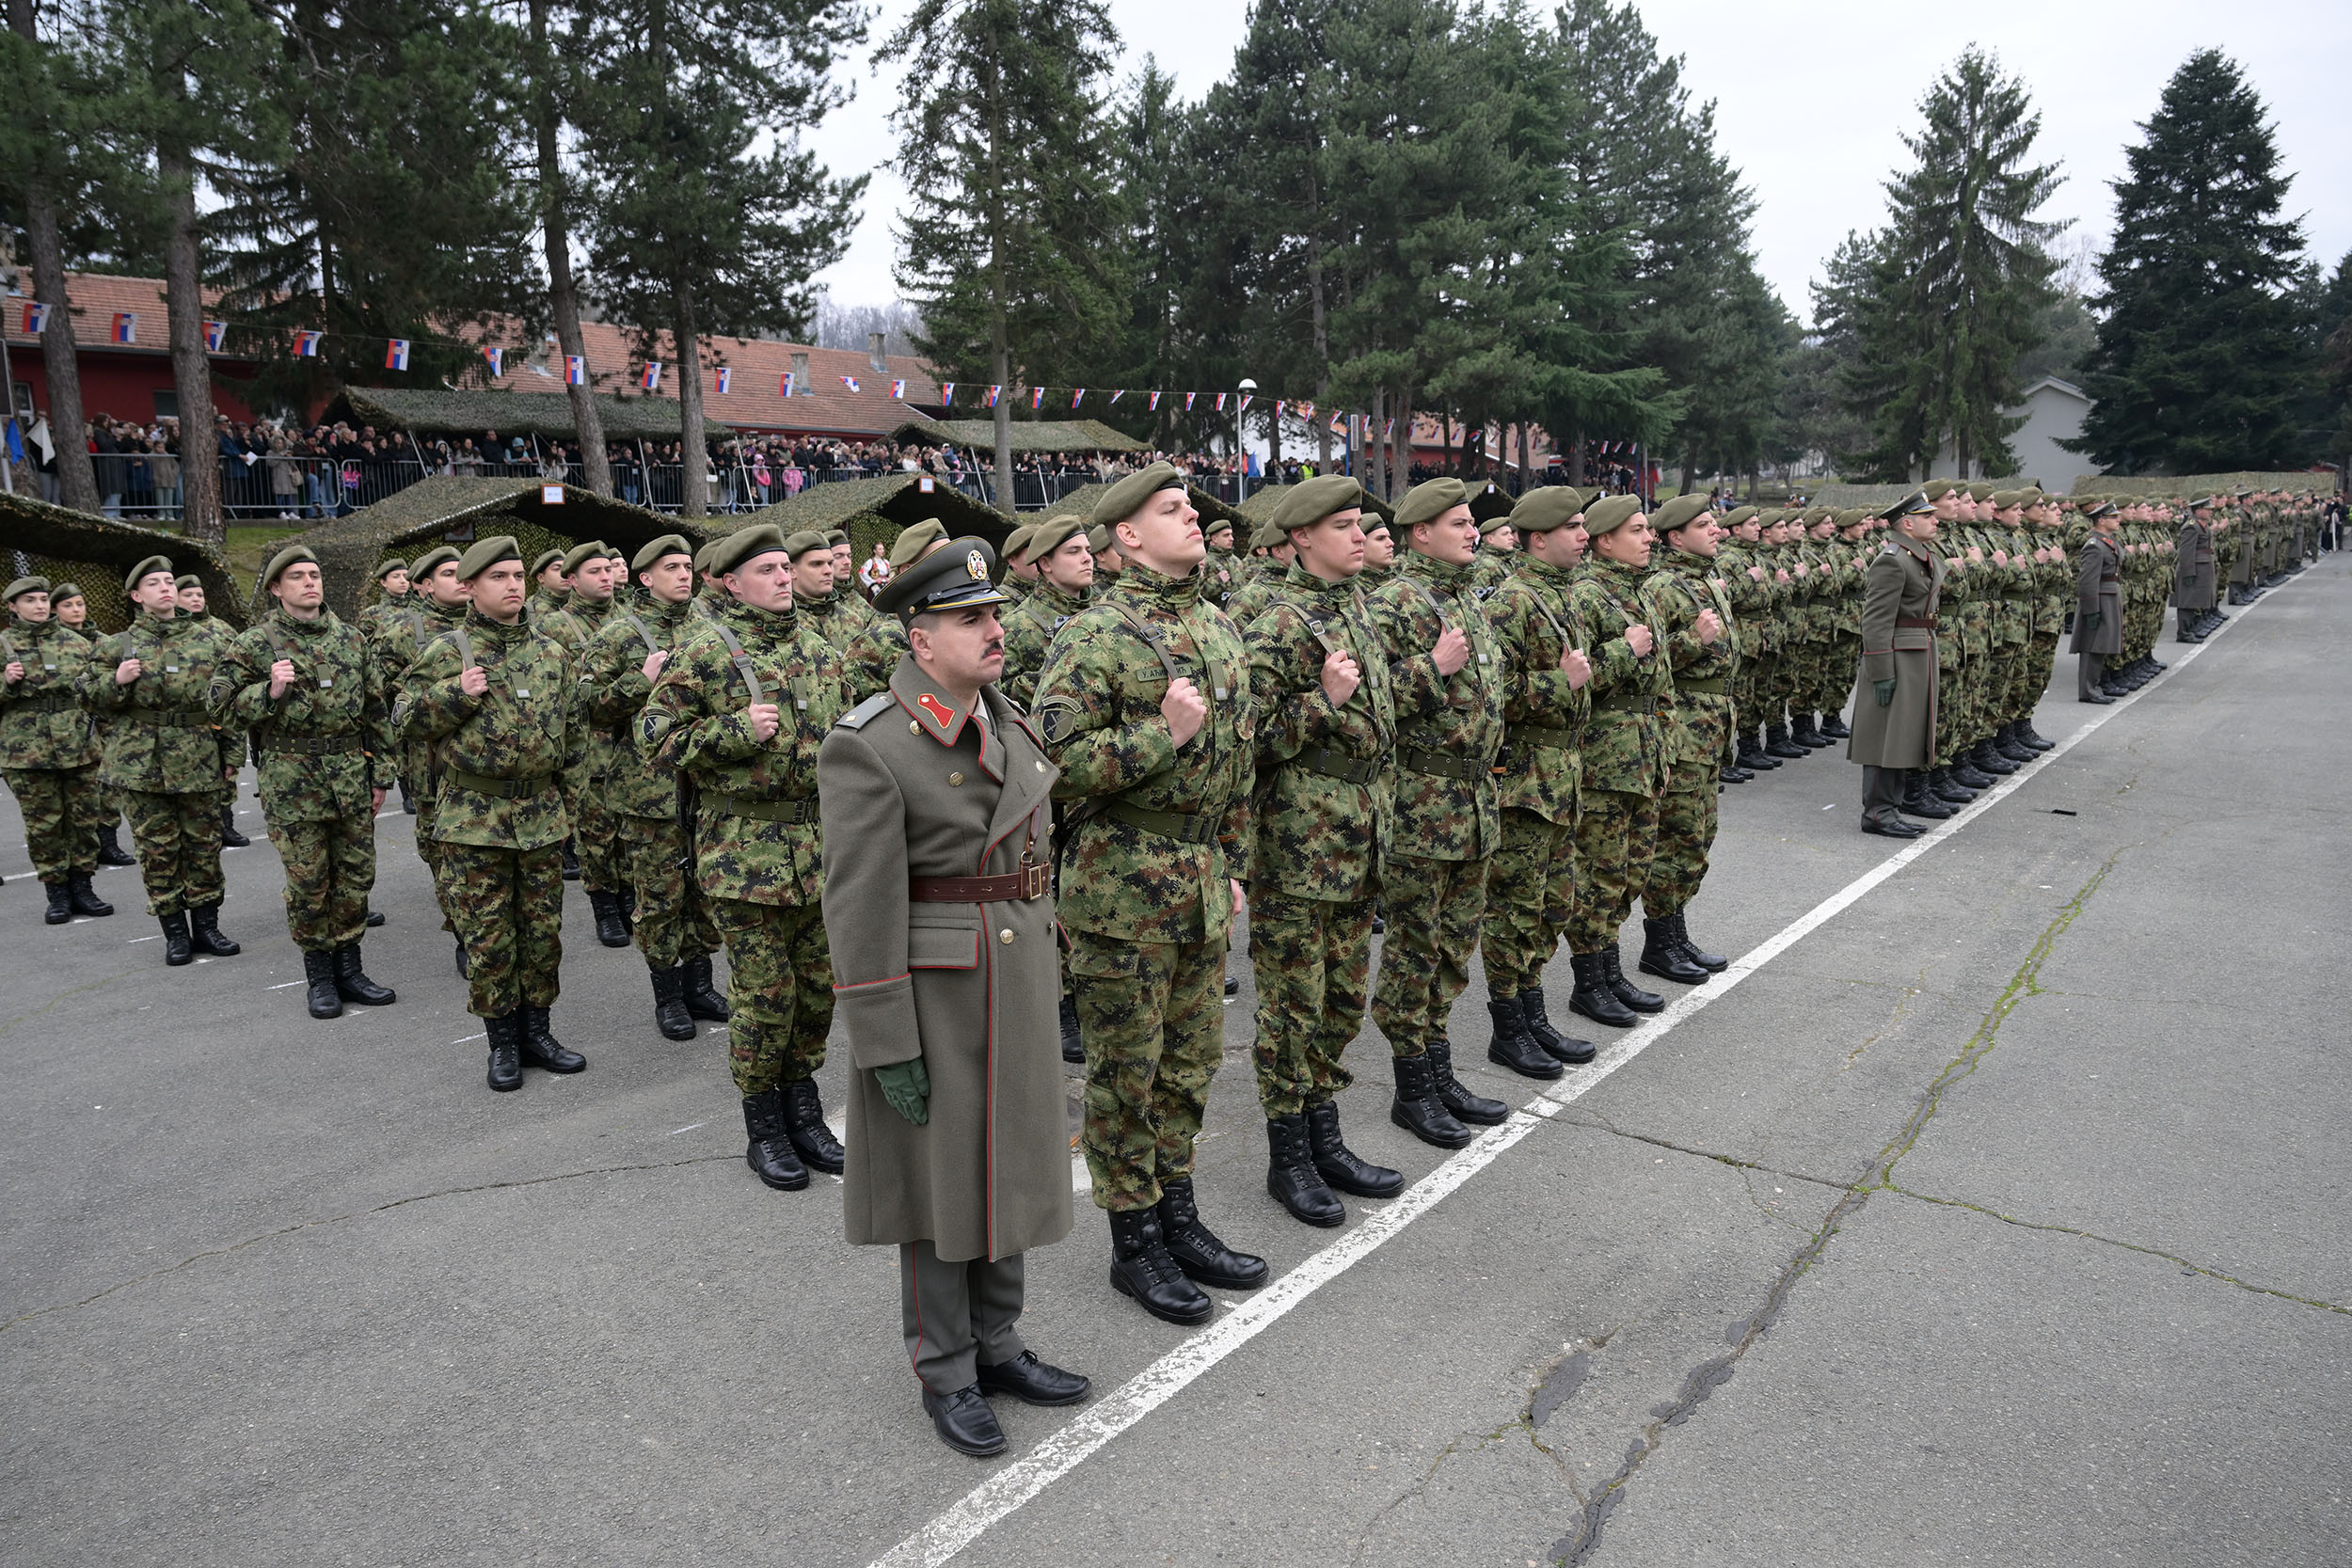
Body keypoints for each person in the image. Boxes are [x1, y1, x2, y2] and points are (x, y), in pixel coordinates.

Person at [818, 535, 1089, 1459]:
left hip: (1014, 972)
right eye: (970, 618)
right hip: (937, 987)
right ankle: (946, 1367)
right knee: (941, 1186)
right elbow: (858, 907)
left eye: (995, 613)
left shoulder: (1007, 721)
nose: (994, 630)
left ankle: (997, 1341)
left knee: (1008, 1159)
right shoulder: (871, 745)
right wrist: (884, 1039)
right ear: (920, 637)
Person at [1032, 461, 1264, 1325]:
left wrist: (1231, 862)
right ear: (1127, 536)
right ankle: (1134, 1242)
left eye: (1191, 506)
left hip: (1199, 877)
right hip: (1122, 890)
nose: (1192, 517)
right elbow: (1052, 766)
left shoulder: (1216, 622)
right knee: (1127, 1073)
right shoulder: (1094, 635)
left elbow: (1237, 762)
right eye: (1172, 509)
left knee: (1190, 1063)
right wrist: (1159, 734)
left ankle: (1178, 1215)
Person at [641, 526, 852, 1190]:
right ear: (731, 583)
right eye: (767, 570)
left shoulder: (818, 648)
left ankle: (804, 1111)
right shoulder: (703, 652)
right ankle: (764, 1127)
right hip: (744, 856)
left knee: (815, 992)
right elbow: (653, 737)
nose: (784, 578)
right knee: (765, 996)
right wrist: (733, 731)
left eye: (786, 567)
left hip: (817, 851)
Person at [1238, 474, 1403, 1225]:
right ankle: (1290, 1157)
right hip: (1299, 850)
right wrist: (1321, 701)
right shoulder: (1276, 624)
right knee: (1292, 1008)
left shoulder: (1357, 606)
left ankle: (1324, 1136)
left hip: (1358, 838)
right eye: (1343, 526)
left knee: (1340, 1001)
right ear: (1301, 537)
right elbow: (1245, 742)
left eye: (1361, 524)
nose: (1360, 537)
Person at [395, 537, 587, 1091]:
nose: (512, 586)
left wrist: (567, 809)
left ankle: (538, 1033)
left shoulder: (552, 652)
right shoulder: (449, 651)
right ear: (471, 587)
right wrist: (454, 694)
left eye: (518, 576)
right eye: (498, 577)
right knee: (489, 937)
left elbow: (575, 737)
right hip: (474, 819)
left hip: (541, 815)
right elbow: (403, 717)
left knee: (542, 934)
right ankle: (502, 1044)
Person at [1361, 478, 1518, 1150]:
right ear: (1420, 532)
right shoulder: (1392, 603)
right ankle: (1412, 1088)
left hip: (1473, 801)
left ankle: (1439, 1071)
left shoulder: (1466, 598)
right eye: (1458, 523)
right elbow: (1369, 703)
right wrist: (1431, 666)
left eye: (1472, 522)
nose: (1473, 531)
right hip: (1421, 806)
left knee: (1454, 946)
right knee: (1414, 948)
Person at [210, 546, 396, 1018]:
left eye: (314, 574)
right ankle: (321, 978)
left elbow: (376, 711)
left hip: (350, 776)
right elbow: (218, 707)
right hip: (292, 782)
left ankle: (350, 970)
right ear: (276, 588)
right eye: (297, 576)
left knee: (354, 877)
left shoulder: (352, 639)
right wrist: (267, 692)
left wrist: (381, 776)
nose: (310, 582)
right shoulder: (255, 644)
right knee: (309, 883)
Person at [583, 534, 731, 1040]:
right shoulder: (618, 635)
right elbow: (587, 707)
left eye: (687, 566)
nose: (684, 575)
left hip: (704, 787)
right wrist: (638, 683)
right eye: (672, 568)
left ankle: (700, 985)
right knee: (660, 899)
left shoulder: (711, 628)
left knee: (703, 894)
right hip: (648, 794)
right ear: (645, 578)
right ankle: (668, 997)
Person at [79, 557, 242, 964]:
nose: (165, 588)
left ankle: (207, 927)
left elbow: (227, 701)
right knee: (157, 850)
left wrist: (232, 753)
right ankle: (175, 933)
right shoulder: (117, 645)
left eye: (169, 581)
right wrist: (116, 681)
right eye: (154, 583)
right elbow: (84, 695)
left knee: (204, 845)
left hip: (198, 756)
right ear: (137, 596)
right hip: (141, 764)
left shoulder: (208, 640)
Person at [1483, 487, 1596, 1067]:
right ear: (1539, 539)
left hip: (1562, 775)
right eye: (1572, 527)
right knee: (1516, 908)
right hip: (1527, 780)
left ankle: (1533, 1016)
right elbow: (1492, 694)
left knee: (1553, 903)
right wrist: (1561, 682)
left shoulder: (1562, 593)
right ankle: (1509, 1030)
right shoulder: (1512, 602)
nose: (1584, 536)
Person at [1562, 496, 1669, 1028]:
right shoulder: (1586, 596)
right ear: (1605, 541)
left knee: (1631, 871)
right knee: (1599, 874)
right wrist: (1625, 650)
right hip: (1607, 760)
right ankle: (1589, 981)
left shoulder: (1636, 590)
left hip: (1642, 754)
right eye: (1637, 531)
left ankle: (1610, 969)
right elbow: (1578, 680)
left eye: (1648, 529)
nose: (1650, 538)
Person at [1636, 495, 1736, 981]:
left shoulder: (1704, 580)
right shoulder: (1662, 586)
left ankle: (1676, 934)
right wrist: (1695, 638)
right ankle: (1659, 943)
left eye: (1714, 522)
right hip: (1683, 731)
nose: (1716, 530)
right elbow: (1650, 660)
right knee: (1677, 838)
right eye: (1704, 524)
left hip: (1710, 729)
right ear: (1676, 537)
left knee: (1699, 837)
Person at [2, 577, 113, 923]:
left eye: (43, 599)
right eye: (30, 600)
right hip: (26, 752)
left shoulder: (76, 643)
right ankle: (57, 894)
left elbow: (97, 690)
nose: (39, 606)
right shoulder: (4, 646)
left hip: (78, 745)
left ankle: (83, 887)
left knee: (83, 820)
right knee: (44, 825)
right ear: (12, 606)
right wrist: (5, 683)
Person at [1846, 492, 1946, 837]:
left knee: (1903, 735)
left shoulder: (1918, 556)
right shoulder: (1892, 561)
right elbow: (1875, 621)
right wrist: (1880, 672)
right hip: (1896, 656)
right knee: (1883, 736)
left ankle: (1891, 808)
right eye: (1927, 516)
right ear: (1907, 523)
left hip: (1918, 652)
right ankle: (1877, 813)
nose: (1935, 520)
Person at [842, 521, 950, 701]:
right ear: (908, 570)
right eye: (940, 561)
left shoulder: (960, 619)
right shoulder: (879, 639)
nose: (951, 568)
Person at [997, 515, 1091, 711]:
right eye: (1073, 551)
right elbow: (1000, 696)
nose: (1087, 558)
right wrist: (1059, 671)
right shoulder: (1014, 626)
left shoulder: (1105, 612)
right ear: (1046, 564)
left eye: (1087, 550)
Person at [2074, 501, 2124, 705]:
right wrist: (2091, 609)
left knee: (2101, 644)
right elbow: (2087, 581)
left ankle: (2095, 686)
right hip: (2100, 598)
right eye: (2114, 517)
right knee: (2092, 645)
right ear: (2101, 521)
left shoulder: (2106, 542)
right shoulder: (2094, 546)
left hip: (2109, 596)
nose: (2118, 520)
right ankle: (2088, 690)